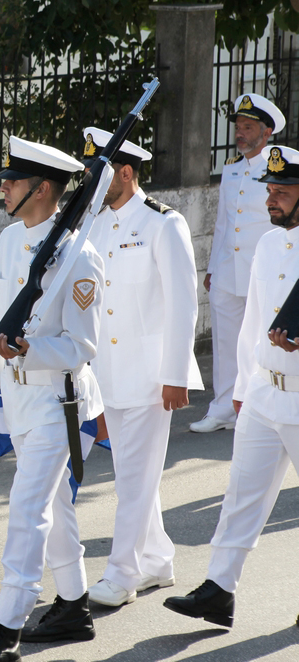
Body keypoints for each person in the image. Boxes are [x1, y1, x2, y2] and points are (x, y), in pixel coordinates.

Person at [0, 138, 104, 662]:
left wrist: (29, 349)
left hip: (58, 403)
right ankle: (74, 605)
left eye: (13, 181)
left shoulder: (79, 255)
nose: (3, 187)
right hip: (18, 401)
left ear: (42, 189)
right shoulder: (8, 240)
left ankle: (6, 627)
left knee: (28, 508)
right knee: (55, 505)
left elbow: (82, 347)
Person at [164, 144, 299, 628]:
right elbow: (253, 324)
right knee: (241, 496)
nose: (271, 200)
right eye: (270, 191)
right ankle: (219, 590)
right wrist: (242, 387)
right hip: (264, 393)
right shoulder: (268, 244)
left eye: (283, 192)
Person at [78, 128, 203, 608]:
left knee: (134, 478)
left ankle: (122, 573)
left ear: (125, 173)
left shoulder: (162, 224)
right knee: (135, 473)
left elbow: (182, 304)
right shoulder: (97, 224)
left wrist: (176, 374)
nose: (90, 180)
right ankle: (157, 560)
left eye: (98, 173)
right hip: (108, 373)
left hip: (151, 376)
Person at [197, 94, 285, 432]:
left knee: (259, 341)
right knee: (225, 342)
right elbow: (222, 222)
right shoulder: (232, 169)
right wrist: (212, 267)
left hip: (260, 271)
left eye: (248, 127)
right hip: (227, 271)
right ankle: (222, 407)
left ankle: (254, 406)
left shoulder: (278, 171)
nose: (240, 133)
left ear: (266, 133)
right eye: (238, 127)